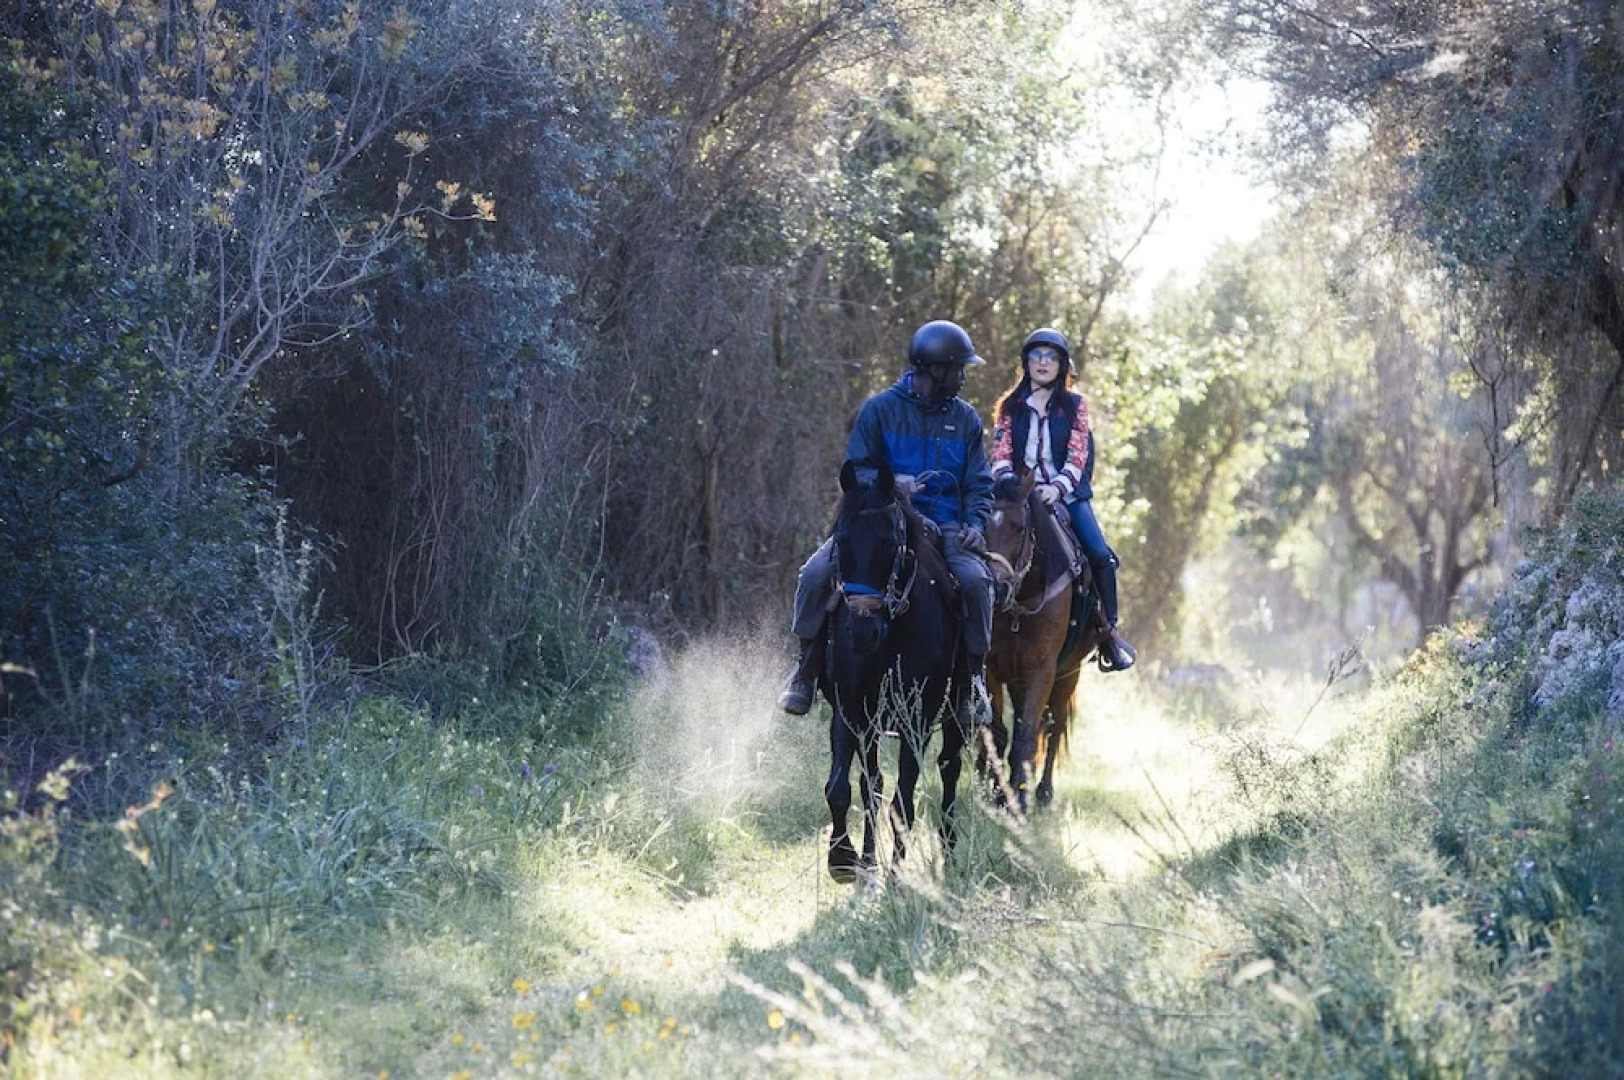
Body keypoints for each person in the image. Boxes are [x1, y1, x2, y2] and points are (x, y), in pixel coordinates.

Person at [778, 319, 996, 722]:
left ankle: (971, 684)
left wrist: (975, 524)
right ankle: (805, 670)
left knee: (977, 583)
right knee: (813, 575)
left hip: (945, 522)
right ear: (934, 369)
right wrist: (893, 484)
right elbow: (857, 469)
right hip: (883, 520)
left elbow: (980, 482)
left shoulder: (966, 420)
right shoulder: (879, 409)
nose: (963, 377)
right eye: (958, 369)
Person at [989, 327, 1136, 671]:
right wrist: (1011, 482)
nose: (1042, 362)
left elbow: (1078, 455)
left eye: (1050, 357)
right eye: (1036, 356)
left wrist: (1056, 487)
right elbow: (1000, 452)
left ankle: (1108, 632)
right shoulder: (1009, 406)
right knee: (986, 546)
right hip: (1017, 496)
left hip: (1065, 495)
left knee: (1100, 555)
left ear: (1062, 364)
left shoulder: (1075, 407)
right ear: (1026, 362)